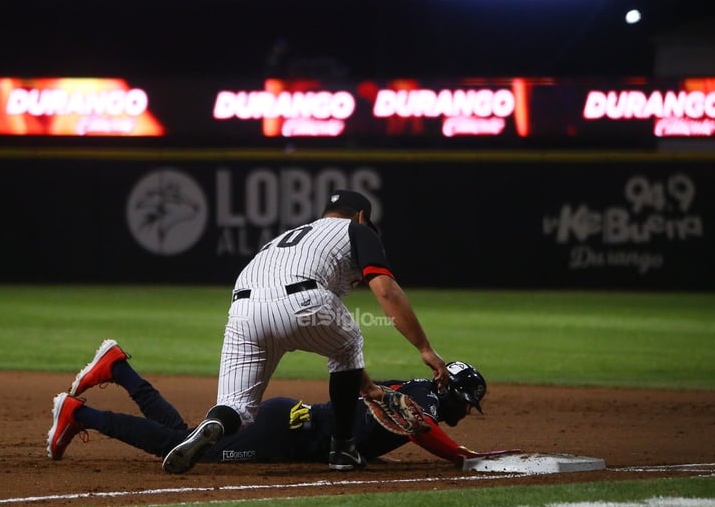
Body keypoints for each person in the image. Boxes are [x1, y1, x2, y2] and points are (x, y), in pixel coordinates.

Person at [162, 189, 450, 474]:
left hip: (243, 311)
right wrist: (424, 348)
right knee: (349, 343)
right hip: (302, 300)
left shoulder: (284, 238)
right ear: (361, 216)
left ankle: (216, 423)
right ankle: (342, 449)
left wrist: (368, 388)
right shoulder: (358, 230)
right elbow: (386, 291)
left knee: (236, 408)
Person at [47, 341, 502, 469]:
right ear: (451, 394)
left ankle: (119, 367)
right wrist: (463, 456)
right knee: (181, 449)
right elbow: (422, 427)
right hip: (284, 429)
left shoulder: (419, 392)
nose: (464, 412)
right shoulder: (422, 399)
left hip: (290, 420)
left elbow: (415, 426)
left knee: (186, 434)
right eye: (466, 404)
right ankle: (78, 413)